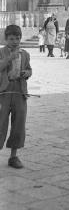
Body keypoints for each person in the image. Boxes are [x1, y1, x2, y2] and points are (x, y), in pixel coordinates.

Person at [0, 24, 32, 169]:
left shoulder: (25, 54)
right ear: (5, 38)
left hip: (19, 92)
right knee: (1, 123)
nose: (15, 41)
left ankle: (13, 156)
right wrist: (9, 58)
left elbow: (29, 69)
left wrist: (27, 73)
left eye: (18, 38)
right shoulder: (1, 52)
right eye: (11, 39)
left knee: (19, 124)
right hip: (4, 93)